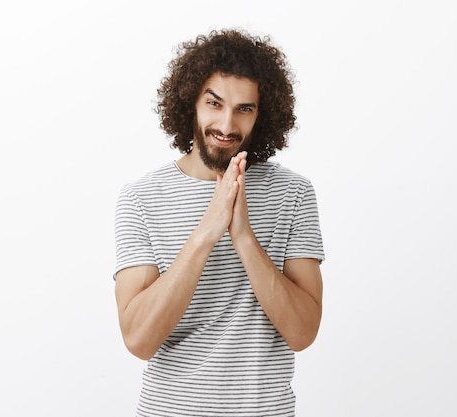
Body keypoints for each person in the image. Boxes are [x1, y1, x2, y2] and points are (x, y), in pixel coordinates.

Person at [113, 28, 325, 417]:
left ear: (262, 115)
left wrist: (243, 236)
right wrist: (207, 232)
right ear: (190, 102)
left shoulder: (293, 193)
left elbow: (302, 332)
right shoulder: (141, 198)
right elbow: (139, 339)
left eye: (245, 108)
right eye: (214, 103)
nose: (227, 125)